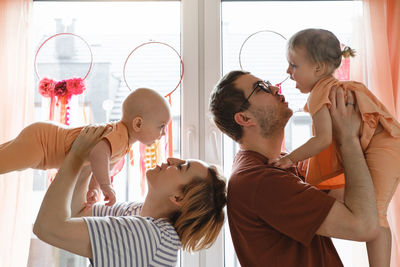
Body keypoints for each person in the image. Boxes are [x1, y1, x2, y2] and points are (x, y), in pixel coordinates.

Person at [209, 70, 379, 266]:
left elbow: (351, 200)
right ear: (245, 119)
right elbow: (363, 227)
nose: (273, 88)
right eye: (260, 88)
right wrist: (349, 140)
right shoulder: (260, 181)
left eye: (267, 82)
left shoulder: (280, 165)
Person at [270, 28, 400, 267]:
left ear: (317, 68)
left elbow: (322, 140)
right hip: (384, 145)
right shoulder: (330, 88)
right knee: (342, 198)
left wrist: (290, 160)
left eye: (294, 65)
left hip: (385, 146)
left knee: (376, 215)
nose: (288, 73)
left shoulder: (320, 93)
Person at [33, 125, 227, 267]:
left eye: (181, 166)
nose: (171, 159)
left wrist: (75, 157)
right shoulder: (136, 212)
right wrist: (87, 163)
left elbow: (47, 228)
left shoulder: (152, 236)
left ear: (178, 198)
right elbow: (76, 214)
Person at [0, 88, 171, 206]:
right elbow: (97, 155)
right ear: (138, 123)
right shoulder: (119, 135)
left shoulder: (122, 143)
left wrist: (94, 189)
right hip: (43, 143)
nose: (163, 133)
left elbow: (99, 166)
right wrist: (106, 187)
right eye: (161, 126)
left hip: (44, 145)